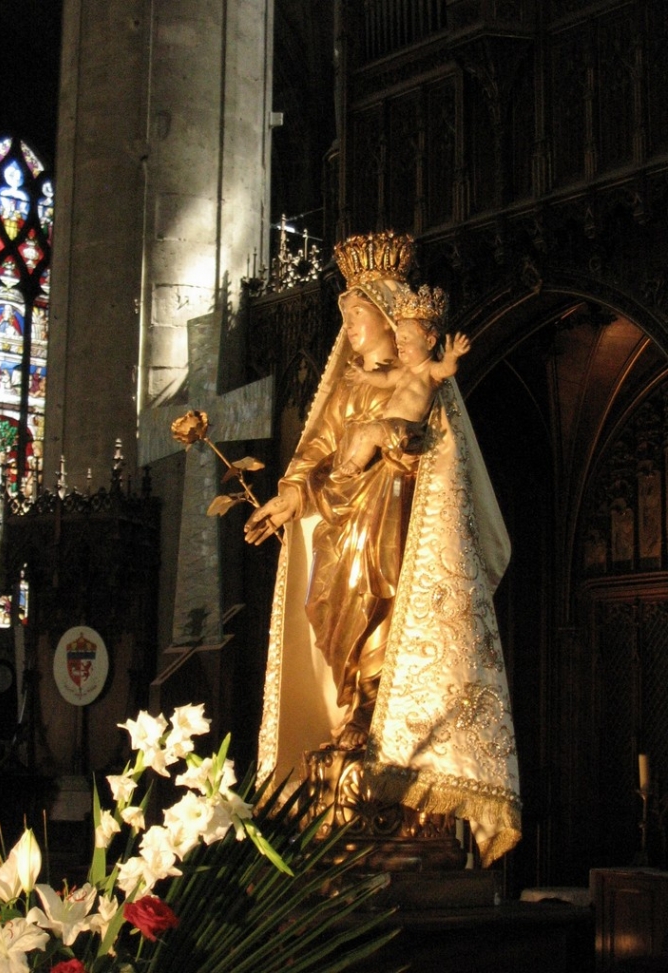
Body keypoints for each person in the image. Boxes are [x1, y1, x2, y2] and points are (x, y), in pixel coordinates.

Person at [245, 231, 521, 866]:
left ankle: (380, 730)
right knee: (334, 613)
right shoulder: (343, 384)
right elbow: (313, 452)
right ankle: (352, 717)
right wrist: (288, 497)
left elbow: (432, 453)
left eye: (359, 316)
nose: (351, 327)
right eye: (344, 318)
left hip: (393, 520)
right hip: (341, 518)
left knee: (384, 605)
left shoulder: (418, 380)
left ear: (386, 318)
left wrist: (386, 435)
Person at [336, 286, 470, 478]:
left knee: (371, 432)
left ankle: (356, 464)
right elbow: (385, 379)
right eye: (398, 342)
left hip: (407, 429)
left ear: (430, 342)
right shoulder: (404, 372)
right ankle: (348, 468)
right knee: (362, 433)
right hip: (389, 425)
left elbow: (446, 370)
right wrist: (365, 376)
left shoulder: (429, 371)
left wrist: (452, 356)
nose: (400, 346)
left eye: (406, 340)